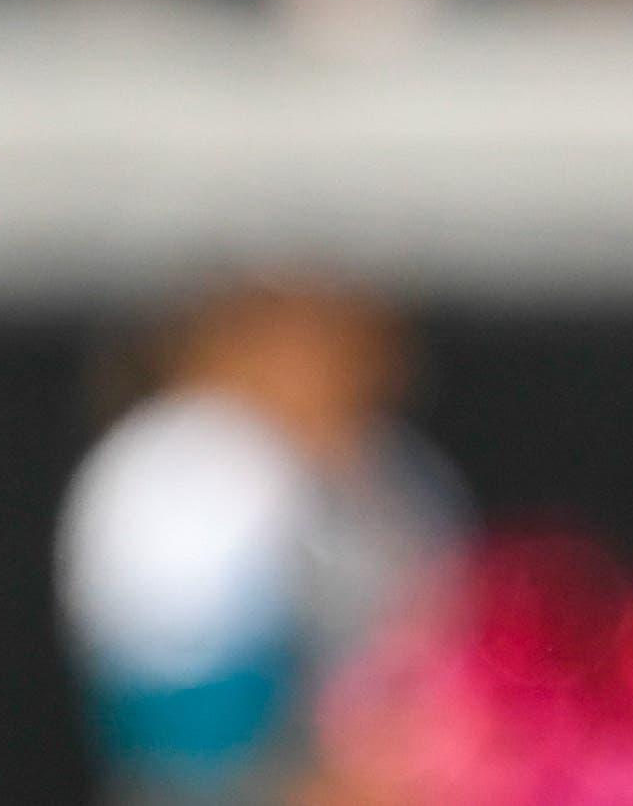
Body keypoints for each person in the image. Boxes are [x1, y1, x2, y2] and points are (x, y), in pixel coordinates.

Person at [56, 280, 463, 806]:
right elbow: (181, 727)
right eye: (302, 337)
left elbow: (442, 662)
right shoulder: (172, 461)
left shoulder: (405, 475)